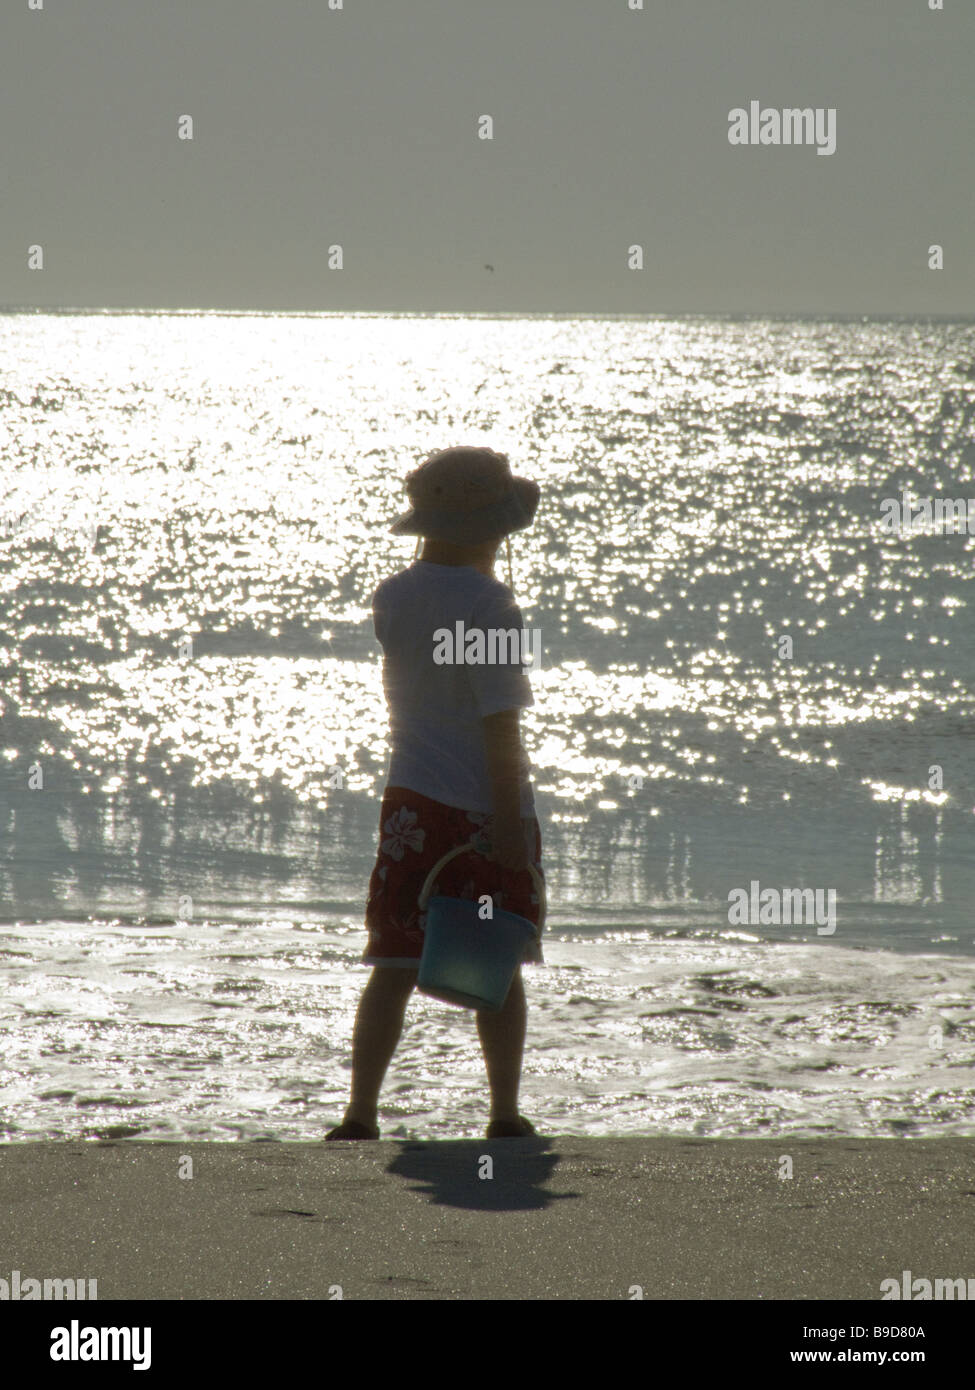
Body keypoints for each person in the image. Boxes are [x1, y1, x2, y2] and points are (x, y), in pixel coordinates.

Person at [325, 446, 544, 1141]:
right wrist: (508, 822)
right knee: (498, 960)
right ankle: (503, 1114)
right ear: (494, 529)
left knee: (392, 960)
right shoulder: (491, 607)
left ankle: (360, 1112)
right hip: (481, 809)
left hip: (410, 802)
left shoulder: (393, 595)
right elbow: (497, 723)